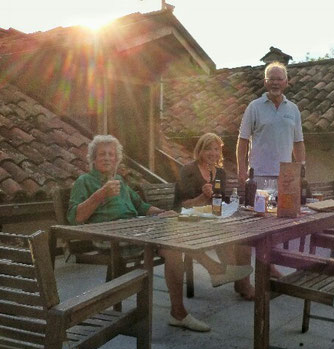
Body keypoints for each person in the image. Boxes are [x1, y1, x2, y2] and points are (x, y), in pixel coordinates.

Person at [67, 135, 252, 332]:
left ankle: (178, 313)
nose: (107, 158)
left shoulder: (119, 180)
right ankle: (215, 271)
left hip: (135, 230)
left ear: (117, 159)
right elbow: (74, 217)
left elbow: (141, 205)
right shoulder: (84, 181)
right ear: (93, 159)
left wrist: (162, 213)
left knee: (174, 239)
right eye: (102, 154)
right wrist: (100, 195)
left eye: (111, 154)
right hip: (111, 236)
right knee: (174, 235)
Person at [237, 61, 306, 277]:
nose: (275, 83)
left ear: (286, 82)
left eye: (279, 79)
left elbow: (299, 143)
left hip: (284, 179)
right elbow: (242, 141)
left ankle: (268, 267)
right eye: (271, 79)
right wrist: (241, 171)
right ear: (265, 82)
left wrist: (301, 171)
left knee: (277, 227)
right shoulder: (254, 107)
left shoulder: (293, 109)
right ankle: (246, 276)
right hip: (257, 177)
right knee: (253, 227)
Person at [175, 132, 255, 300]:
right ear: (200, 150)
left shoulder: (220, 173)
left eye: (217, 149)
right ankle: (238, 281)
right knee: (223, 235)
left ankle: (241, 282)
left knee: (244, 239)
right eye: (208, 149)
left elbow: (221, 200)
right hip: (189, 221)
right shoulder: (188, 170)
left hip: (212, 220)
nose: (213, 153)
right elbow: (182, 205)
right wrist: (202, 197)